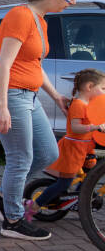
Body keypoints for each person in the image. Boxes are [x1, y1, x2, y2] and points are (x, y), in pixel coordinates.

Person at [0, 0, 79, 241]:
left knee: (48, 153)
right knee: (20, 158)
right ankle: (12, 220)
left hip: (28, 95)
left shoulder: (41, 21)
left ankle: (2, 194)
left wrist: (56, 95)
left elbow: (33, 65)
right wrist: (1, 105)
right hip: (9, 94)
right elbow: (3, 64)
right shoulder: (20, 16)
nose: (72, 2)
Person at [27, 69, 105, 216]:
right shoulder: (78, 105)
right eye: (103, 88)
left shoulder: (89, 104)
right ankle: (35, 206)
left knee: (91, 174)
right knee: (64, 183)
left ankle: (80, 200)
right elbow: (76, 127)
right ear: (89, 87)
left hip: (85, 147)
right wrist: (96, 127)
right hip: (73, 149)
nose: (104, 92)